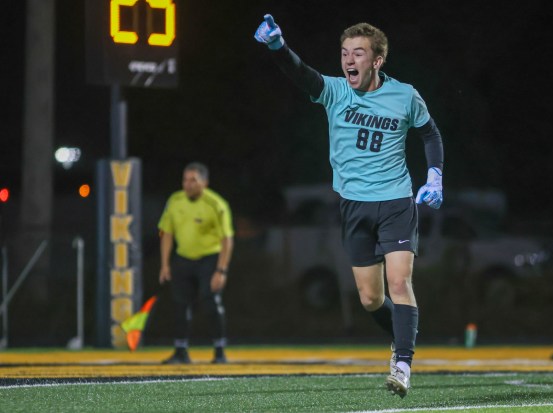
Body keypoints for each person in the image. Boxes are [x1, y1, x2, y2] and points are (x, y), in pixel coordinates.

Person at [255, 15, 444, 398]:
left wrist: (435, 175)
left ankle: (403, 363)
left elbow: (430, 133)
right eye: (344, 53)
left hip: (395, 201)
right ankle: (401, 336)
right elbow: (302, 74)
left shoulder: (405, 95)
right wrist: (278, 47)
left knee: (399, 282)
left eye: (358, 53)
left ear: (377, 60)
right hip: (354, 207)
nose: (348, 60)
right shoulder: (336, 92)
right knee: (371, 298)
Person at [158, 162, 234, 364]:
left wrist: (221, 270)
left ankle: (219, 351)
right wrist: (165, 264)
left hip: (209, 259)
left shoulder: (216, 204)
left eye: (193, 180)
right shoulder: (175, 200)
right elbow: (166, 233)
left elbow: (227, 239)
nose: (188, 184)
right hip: (183, 258)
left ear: (205, 182)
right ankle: (181, 351)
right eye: (185, 179)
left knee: (210, 303)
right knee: (181, 305)